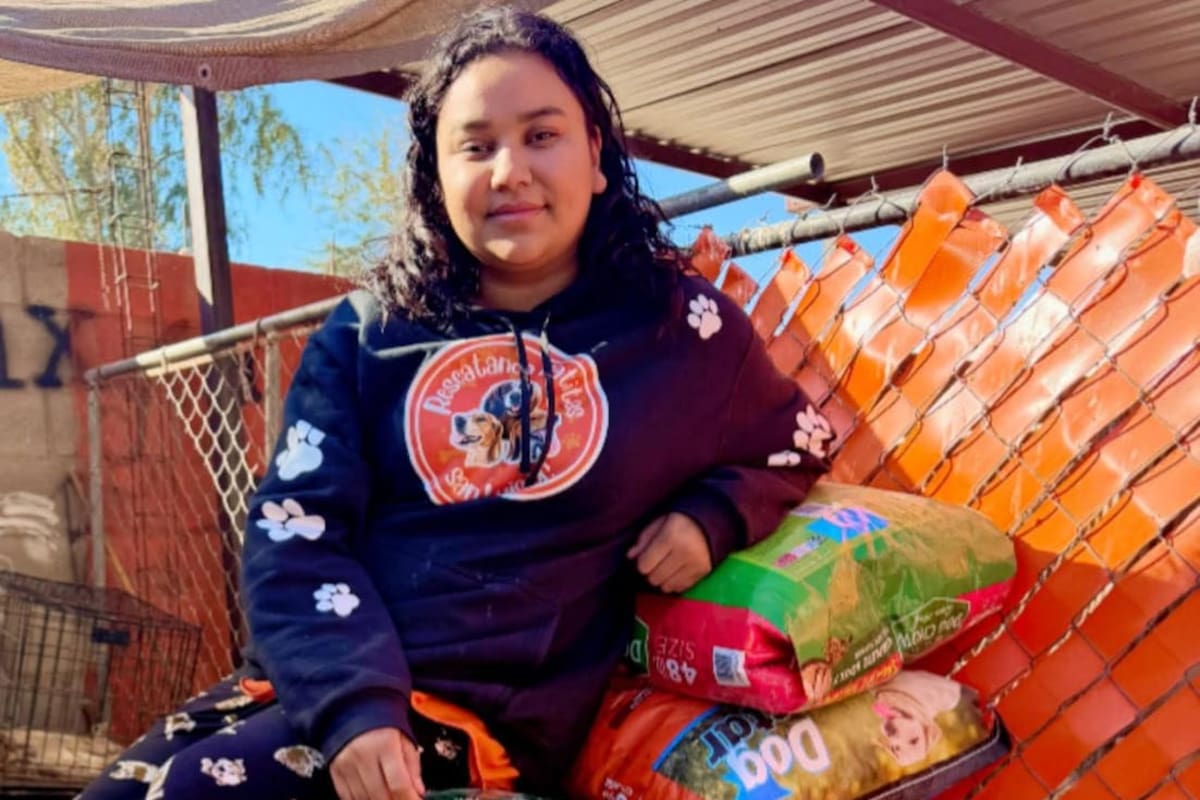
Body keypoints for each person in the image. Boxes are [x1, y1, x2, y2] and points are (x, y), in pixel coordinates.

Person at [79, 7, 832, 800]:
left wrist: (712, 517)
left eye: (542, 135)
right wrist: (354, 706)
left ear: (597, 157)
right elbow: (294, 530)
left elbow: (795, 440)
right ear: (435, 177)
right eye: (475, 147)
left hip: (485, 726)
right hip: (333, 687)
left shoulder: (681, 329)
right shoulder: (368, 335)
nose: (509, 171)